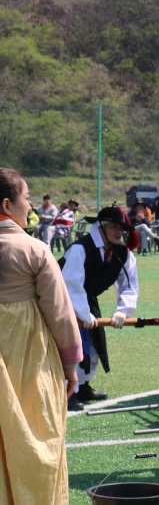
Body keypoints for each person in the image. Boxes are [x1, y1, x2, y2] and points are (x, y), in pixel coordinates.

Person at [0, 168, 82, 503]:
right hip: (28, 358)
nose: (31, 204)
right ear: (7, 204)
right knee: (36, 437)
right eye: (27, 197)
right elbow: (60, 313)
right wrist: (71, 366)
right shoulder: (34, 249)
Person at [60, 204, 140, 411]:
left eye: (122, 228)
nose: (119, 232)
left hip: (85, 300)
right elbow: (70, 285)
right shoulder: (80, 249)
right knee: (68, 345)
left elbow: (129, 286)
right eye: (114, 227)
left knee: (94, 344)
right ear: (100, 227)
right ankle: (67, 391)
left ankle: (83, 385)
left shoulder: (124, 254)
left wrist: (123, 310)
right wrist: (83, 314)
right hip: (60, 301)